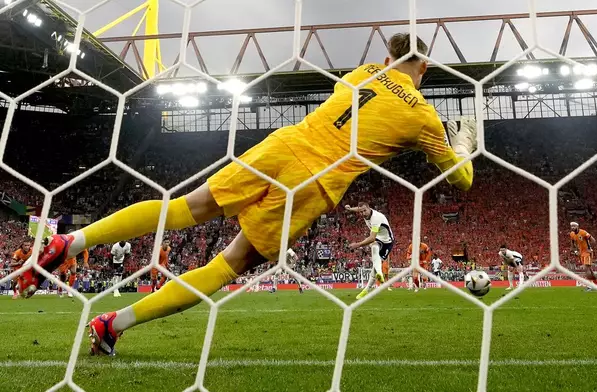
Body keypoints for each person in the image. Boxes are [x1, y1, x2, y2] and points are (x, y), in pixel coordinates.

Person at [18, 32, 476, 356]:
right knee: (227, 264)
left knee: (183, 207)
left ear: (389, 56)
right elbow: (461, 181)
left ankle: (69, 242)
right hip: (314, 182)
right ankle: (111, 324)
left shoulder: (363, 73)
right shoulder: (424, 117)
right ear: (426, 66)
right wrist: (462, 147)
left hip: (283, 144)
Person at [347, 203, 394, 298]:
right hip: (378, 238)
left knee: (374, 268)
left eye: (365, 211)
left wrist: (357, 244)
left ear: (369, 208)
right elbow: (359, 209)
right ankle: (379, 273)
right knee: (374, 247)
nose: (363, 213)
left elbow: (372, 238)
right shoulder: (364, 212)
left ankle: (367, 289)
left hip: (387, 241)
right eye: (361, 212)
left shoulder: (376, 218)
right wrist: (350, 209)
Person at [569, 222, 597, 292]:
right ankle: (596, 285)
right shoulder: (572, 234)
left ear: (577, 226)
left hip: (587, 253)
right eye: (571, 226)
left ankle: (590, 286)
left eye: (574, 226)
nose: (572, 227)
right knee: (590, 270)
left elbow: (593, 240)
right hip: (581, 253)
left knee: (586, 268)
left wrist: (590, 249)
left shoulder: (583, 232)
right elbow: (572, 245)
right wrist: (575, 252)